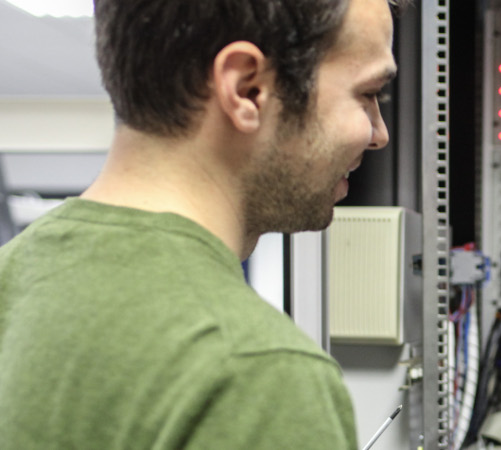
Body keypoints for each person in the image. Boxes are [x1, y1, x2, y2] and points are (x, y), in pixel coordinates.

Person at [0, 0, 405, 447]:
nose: (379, 133)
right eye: (367, 94)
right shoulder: (254, 373)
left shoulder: (12, 280)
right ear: (247, 88)